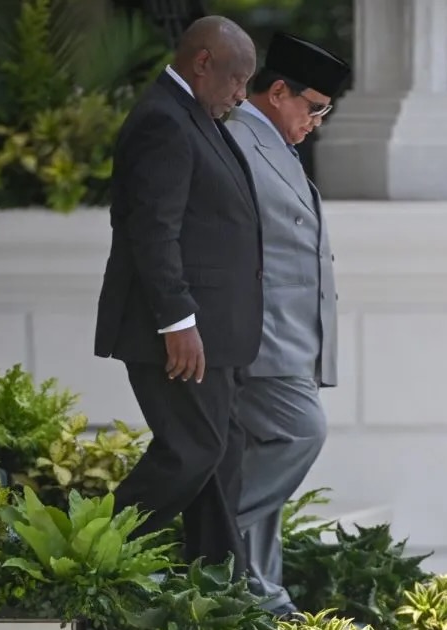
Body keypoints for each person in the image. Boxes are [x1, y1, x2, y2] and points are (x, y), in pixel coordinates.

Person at [93, 15, 262, 573]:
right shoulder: (163, 120)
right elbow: (152, 230)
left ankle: (219, 584)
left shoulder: (193, 114)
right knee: (192, 451)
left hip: (212, 335)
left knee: (219, 456)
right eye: (238, 79)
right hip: (175, 333)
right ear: (203, 62)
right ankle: (85, 558)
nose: (242, 95)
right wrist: (177, 321)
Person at [223, 31, 350, 618]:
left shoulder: (272, 143)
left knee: (271, 457)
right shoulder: (236, 139)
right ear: (278, 92)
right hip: (263, 338)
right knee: (301, 434)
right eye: (313, 107)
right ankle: (209, 537)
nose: (316, 123)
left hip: (293, 340)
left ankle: (260, 593)